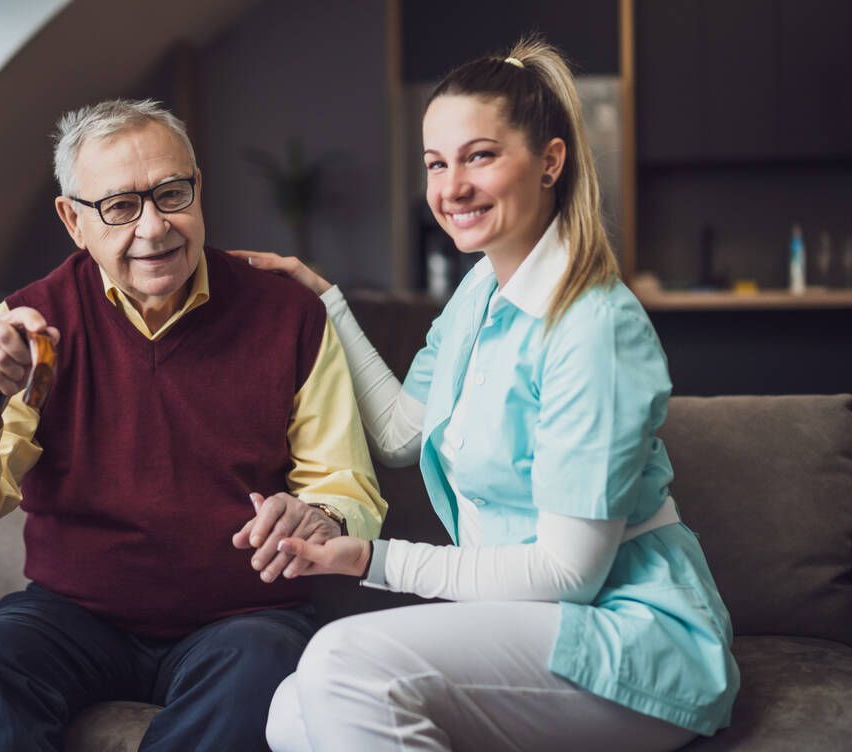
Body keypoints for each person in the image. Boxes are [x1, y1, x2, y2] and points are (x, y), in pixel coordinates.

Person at [234, 38, 739, 752]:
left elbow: (568, 572)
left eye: (480, 156)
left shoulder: (593, 324)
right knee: (289, 709)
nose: (451, 187)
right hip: (531, 626)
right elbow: (405, 434)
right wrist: (327, 305)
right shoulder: (481, 291)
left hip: (633, 635)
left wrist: (366, 558)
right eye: (437, 164)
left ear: (551, 162)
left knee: (342, 665)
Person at [0, 98, 386, 752]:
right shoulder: (32, 325)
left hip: (241, 620)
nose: (154, 227)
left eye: (171, 194)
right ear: (73, 221)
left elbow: (349, 489)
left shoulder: (288, 315)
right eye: (120, 206)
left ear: (198, 189)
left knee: (265, 669)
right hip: (74, 615)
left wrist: (316, 517)